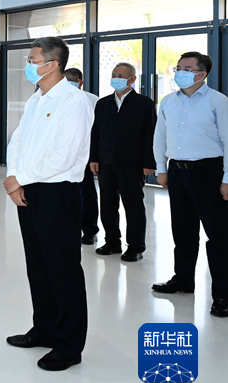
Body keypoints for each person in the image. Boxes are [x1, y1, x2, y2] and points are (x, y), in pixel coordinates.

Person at [4, 37, 93, 372]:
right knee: (38, 265)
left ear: (53, 64)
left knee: (62, 268)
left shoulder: (74, 101)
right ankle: (44, 329)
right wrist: (14, 177)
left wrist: (19, 179)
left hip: (57, 193)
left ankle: (69, 345)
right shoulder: (36, 99)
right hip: (29, 189)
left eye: (33, 59)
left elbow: (64, 155)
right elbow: (18, 141)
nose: (28, 65)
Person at [151, 52, 228, 318]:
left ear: (202, 74)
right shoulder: (168, 101)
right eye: (178, 67)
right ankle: (183, 280)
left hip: (209, 172)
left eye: (187, 68)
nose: (180, 72)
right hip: (177, 171)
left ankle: (223, 295)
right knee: (182, 231)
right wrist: (161, 169)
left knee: (218, 236)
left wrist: (227, 179)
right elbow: (160, 136)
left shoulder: (218, 101)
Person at [89, 63, 156, 262]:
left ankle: (136, 247)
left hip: (131, 163)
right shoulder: (103, 104)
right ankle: (112, 242)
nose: (116, 78)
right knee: (108, 205)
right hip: (106, 162)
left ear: (132, 79)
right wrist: (94, 158)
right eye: (114, 75)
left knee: (133, 206)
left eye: (121, 75)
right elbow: (96, 133)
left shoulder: (144, 104)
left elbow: (150, 135)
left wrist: (149, 162)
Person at [64, 68, 100, 245]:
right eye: (66, 79)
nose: (69, 82)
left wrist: (94, 157)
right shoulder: (56, 99)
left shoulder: (92, 100)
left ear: (81, 82)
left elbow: (97, 131)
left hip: (84, 156)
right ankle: (69, 228)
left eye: (74, 79)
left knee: (87, 194)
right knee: (65, 194)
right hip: (62, 156)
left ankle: (90, 230)